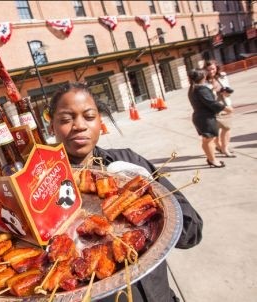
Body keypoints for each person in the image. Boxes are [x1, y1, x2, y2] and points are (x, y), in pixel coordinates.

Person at [48, 82, 203, 302]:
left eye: (89, 116)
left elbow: (192, 232)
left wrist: (154, 197)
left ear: (100, 121)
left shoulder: (128, 162)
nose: (79, 125)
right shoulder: (42, 186)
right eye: (65, 119)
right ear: (51, 127)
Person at [187, 68, 233, 168]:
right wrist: (226, 108)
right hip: (206, 118)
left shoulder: (193, 88)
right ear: (202, 77)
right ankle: (213, 160)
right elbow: (211, 103)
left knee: (206, 140)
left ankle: (210, 158)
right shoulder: (201, 89)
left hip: (200, 117)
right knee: (209, 140)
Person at [204, 60, 236, 157]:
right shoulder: (204, 80)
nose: (211, 71)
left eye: (213, 69)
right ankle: (219, 146)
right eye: (208, 69)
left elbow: (228, 87)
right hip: (213, 108)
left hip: (225, 105)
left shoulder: (223, 75)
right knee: (215, 130)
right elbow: (205, 96)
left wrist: (227, 92)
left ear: (216, 68)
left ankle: (225, 148)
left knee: (227, 128)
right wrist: (213, 91)